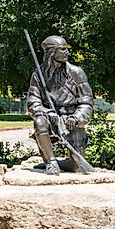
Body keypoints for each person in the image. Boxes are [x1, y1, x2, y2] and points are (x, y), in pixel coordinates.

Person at [26, 35, 94, 175]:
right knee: (39, 121)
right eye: (62, 49)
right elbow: (33, 102)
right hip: (51, 118)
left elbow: (86, 101)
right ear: (52, 52)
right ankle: (51, 162)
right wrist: (46, 112)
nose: (66, 52)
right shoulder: (38, 75)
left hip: (71, 119)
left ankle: (68, 163)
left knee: (78, 167)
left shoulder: (77, 73)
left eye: (66, 49)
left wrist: (76, 117)